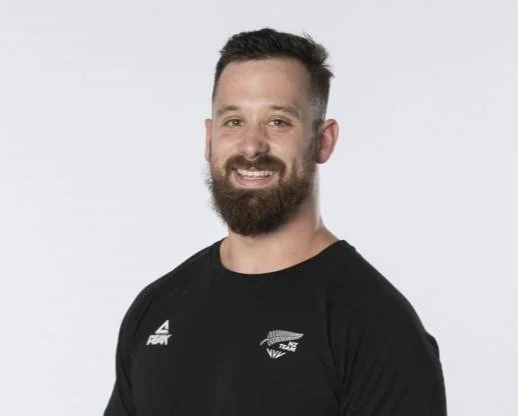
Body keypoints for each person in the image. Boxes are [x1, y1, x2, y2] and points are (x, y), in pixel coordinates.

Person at [103, 28, 447, 415]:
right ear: (209, 138)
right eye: (234, 122)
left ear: (323, 140)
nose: (252, 146)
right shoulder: (157, 307)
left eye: (278, 122)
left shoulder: (375, 326)